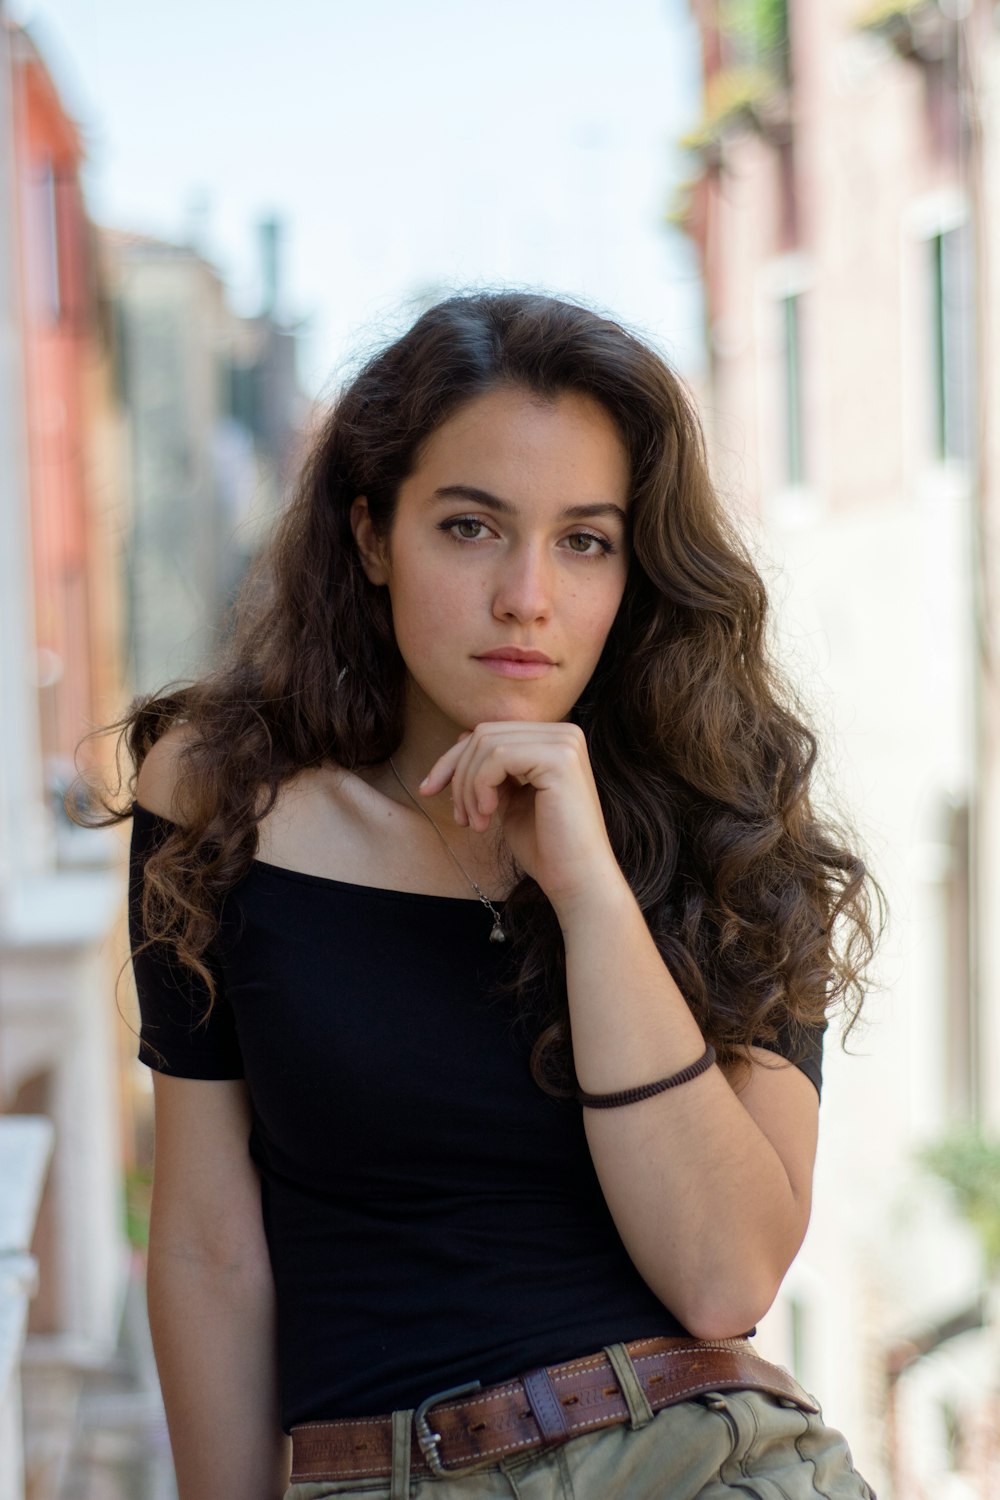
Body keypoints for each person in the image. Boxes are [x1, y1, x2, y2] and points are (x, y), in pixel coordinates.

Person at [99, 291, 883, 1499]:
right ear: (371, 535)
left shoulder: (730, 834)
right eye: (470, 528)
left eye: (585, 540)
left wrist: (589, 893)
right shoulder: (223, 798)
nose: (527, 594)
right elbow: (205, 1243)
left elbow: (723, 1278)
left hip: (706, 1460)